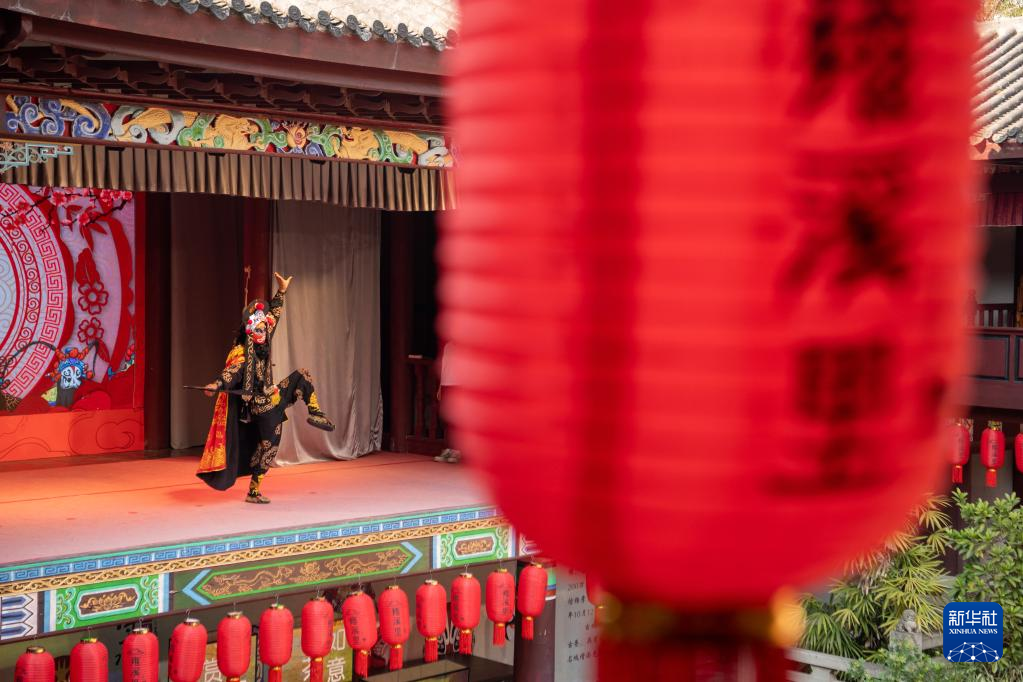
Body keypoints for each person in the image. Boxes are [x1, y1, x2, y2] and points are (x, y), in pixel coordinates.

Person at [196, 272, 335, 503]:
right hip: (261, 408)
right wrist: (216, 385)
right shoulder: (243, 355)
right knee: (268, 449)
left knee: (302, 375)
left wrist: (282, 291)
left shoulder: (264, 341)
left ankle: (316, 413)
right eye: (259, 330)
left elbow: (275, 316)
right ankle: (253, 491)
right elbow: (230, 373)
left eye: (264, 329)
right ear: (250, 332)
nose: (263, 333)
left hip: (274, 398)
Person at [435, 341, 462, 463]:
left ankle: (457, 450)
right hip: (446, 384)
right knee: (446, 418)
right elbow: (444, 367)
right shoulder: (448, 346)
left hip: (458, 385)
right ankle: (449, 448)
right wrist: (440, 387)